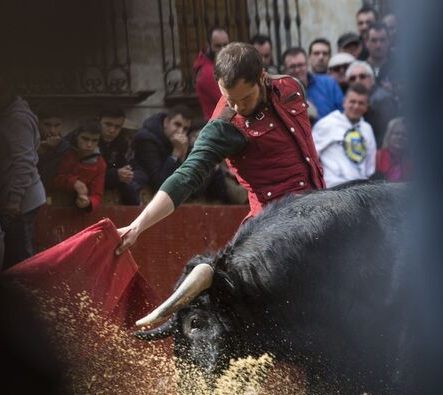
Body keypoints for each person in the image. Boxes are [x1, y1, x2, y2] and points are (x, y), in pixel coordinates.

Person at [116, 42, 325, 255]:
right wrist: (138, 225)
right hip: (274, 231)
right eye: (229, 99)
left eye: (244, 98)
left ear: (262, 77)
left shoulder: (292, 87)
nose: (237, 107)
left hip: (320, 212)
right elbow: (185, 176)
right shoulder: (223, 126)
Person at [0, 78, 46, 269]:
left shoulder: (17, 118)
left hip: (21, 200)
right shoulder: (6, 114)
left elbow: (24, 162)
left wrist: (14, 199)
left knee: (20, 261)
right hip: (13, 196)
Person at [312, 83, 376, 187]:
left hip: (360, 190)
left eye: (361, 103)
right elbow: (311, 156)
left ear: (366, 107)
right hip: (333, 188)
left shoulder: (367, 129)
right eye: (352, 102)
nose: (356, 106)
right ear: (344, 102)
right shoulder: (327, 124)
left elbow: (370, 168)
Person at [131, 104, 193, 195]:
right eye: (177, 125)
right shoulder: (147, 140)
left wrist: (183, 156)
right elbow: (159, 183)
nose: (180, 132)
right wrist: (176, 153)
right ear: (166, 123)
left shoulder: (181, 143)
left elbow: (190, 185)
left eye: (185, 129)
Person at [53, 118, 107, 212]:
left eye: (94, 140)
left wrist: (88, 202)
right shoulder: (61, 151)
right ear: (77, 136)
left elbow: (97, 194)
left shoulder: (100, 163)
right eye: (85, 139)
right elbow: (49, 177)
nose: (89, 144)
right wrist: (73, 182)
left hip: (76, 210)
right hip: (52, 202)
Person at [346, 60, 400, 145]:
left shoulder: (383, 100)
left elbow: (386, 134)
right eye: (352, 78)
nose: (357, 81)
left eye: (362, 76)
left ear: (372, 79)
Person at [282, 46, 344, 121]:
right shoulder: (281, 94)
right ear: (285, 69)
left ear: (307, 64)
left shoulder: (328, 83)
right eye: (292, 66)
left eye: (300, 65)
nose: (297, 70)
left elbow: (343, 112)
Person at [97, 105, 140, 205]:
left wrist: (126, 173)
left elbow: (121, 167)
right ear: (98, 121)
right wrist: (116, 175)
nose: (112, 130)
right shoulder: (88, 139)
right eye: (108, 124)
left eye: (117, 127)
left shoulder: (120, 142)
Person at [194, 27, 230, 120]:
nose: (223, 50)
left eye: (225, 45)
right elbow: (229, 102)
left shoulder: (214, 67)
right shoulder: (207, 72)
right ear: (208, 45)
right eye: (218, 46)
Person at [36, 104, 71, 188]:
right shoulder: (28, 142)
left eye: (57, 125)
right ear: (38, 123)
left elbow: (50, 178)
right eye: (47, 125)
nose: (52, 130)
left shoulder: (64, 146)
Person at [374, 117, 409, 181]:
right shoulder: (377, 156)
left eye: (404, 135)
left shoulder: (411, 160)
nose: (400, 137)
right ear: (389, 135)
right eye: (397, 133)